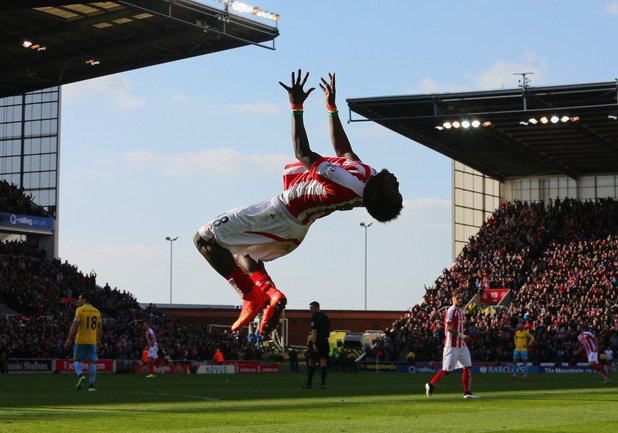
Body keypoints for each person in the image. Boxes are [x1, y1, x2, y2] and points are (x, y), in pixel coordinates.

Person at [193, 69, 403, 336]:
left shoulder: (348, 184)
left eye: (394, 190)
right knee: (243, 251)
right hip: (295, 230)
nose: (395, 181)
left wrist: (296, 106)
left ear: (376, 196)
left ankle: (250, 295)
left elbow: (303, 153)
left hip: (280, 213)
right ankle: (271, 295)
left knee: (204, 239)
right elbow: (344, 152)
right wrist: (331, 107)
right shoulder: (368, 178)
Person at [425, 289, 480, 399]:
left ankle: (467, 392)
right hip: (452, 345)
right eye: (457, 297)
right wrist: (462, 336)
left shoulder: (460, 311)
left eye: (461, 297)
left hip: (461, 345)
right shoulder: (450, 311)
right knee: (446, 371)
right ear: (452, 299)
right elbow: (448, 327)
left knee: (468, 367)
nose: (460, 299)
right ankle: (430, 384)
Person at [64, 293, 102, 392]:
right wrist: (99, 340)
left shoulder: (80, 310)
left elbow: (74, 325)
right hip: (92, 341)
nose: (78, 301)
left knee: (77, 360)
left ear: (85, 299)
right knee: (92, 363)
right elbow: (100, 329)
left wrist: (69, 338)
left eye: (79, 299)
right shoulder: (97, 311)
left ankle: (81, 376)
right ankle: (91, 386)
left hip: (80, 340)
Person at [302, 301, 331, 390]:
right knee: (323, 362)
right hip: (325, 341)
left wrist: (314, 343)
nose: (310, 310)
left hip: (317, 341)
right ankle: (323, 384)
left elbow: (314, 331)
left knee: (311, 361)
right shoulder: (326, 317)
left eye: (311, 308)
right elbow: (329, 331)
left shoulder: (314, 317)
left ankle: (309, 383)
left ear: (316, 307)